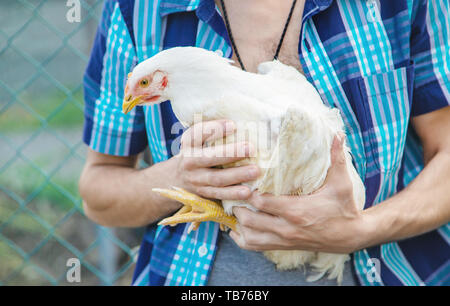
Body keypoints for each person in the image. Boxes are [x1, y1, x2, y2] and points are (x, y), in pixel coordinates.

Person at [79, 0, 450, 286]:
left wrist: (361, 230)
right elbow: (98, 193)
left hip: (377, 270)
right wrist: (181, 177)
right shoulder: (137, 11)